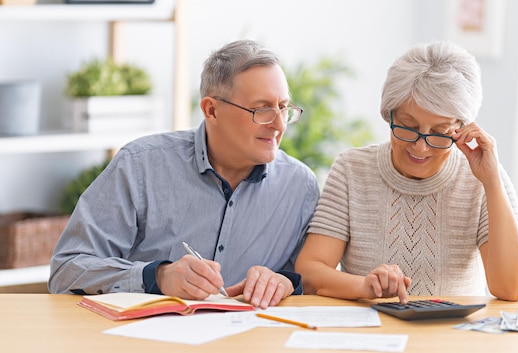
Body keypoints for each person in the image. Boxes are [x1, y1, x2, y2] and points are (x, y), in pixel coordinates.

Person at [49, 39, 320, 309]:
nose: (278, 124)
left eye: (283, 108)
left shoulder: (300, 187)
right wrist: (158, 276)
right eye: (261, 109)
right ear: (211, 110)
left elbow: (310, 279)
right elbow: (66, 271)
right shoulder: (140, 166)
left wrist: (285, 282)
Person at [295, 41, 518, 304]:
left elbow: (512, 288)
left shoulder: (482, 178)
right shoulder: (352, 170)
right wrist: (365, 286)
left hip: (452, 338)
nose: (420, 147)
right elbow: (308, 272)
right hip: (373, 338)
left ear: (462, 128)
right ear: (389, 115)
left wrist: (491, 183)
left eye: (440, 133)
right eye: (408, 127)